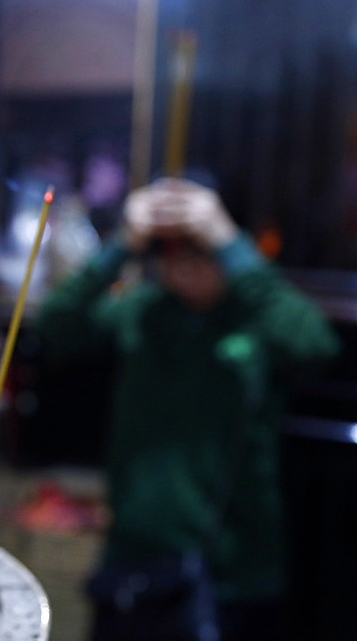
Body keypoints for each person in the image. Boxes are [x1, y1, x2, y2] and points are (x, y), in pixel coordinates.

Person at [34, 177, 340, 640]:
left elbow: (316, 344)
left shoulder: (256, 315)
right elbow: (54, 325)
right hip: (134, 553)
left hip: (230, 568)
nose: (185, 258)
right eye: (170, 245)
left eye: (199, 244)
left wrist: (228, 241)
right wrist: (123, 243)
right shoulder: (144, 310)